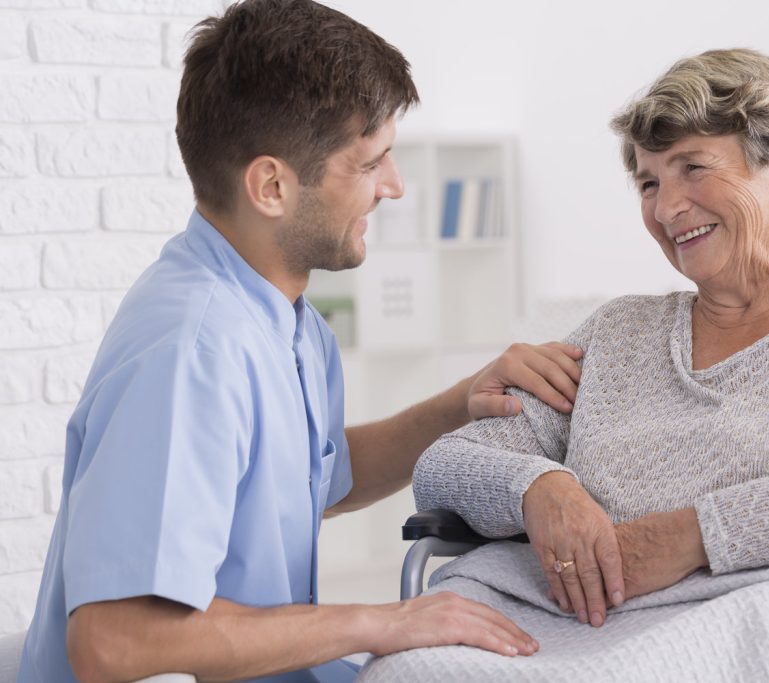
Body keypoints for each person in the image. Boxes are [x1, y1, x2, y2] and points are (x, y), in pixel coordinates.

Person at [359, 48, 769, 680]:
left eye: (693, 167)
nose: (667, 210)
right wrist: (536, 488)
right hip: (554, 614)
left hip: (752, 612)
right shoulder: (619, 333)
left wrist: (698, 535)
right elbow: (446, 466)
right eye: (648, 182)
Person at [16, 2, 587, 682]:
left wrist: (463, 402)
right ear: (272, 185)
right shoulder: (192, 351)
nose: (394, 186)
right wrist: (382, 619)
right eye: (370, 162)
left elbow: (316, 474)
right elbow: (115, 640)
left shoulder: (285, 319)